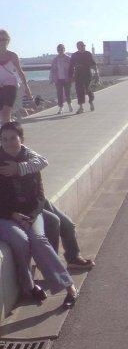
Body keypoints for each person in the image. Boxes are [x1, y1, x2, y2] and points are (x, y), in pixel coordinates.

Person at [0, 122, 79, 307]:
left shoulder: (30, 162)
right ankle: (29, 286)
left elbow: (40, 196)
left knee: (38, 239)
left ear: (21, 139)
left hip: (30, 214)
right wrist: (13, 214)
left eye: (13, 138)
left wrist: (32, 216)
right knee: (21, 240)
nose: (8, 143)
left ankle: (69, 287)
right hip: (5, 215)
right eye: (4, 139)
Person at [0, 29, 33, 124]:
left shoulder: (12, 55)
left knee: (6, 111)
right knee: (2, 113)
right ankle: (9, 127)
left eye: (3, 39)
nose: (1, 42)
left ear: (8, 41)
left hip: (11, 84)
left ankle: (6, 129)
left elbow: (20, 72)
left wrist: (27, 88)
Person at [69, 41, 99, 114]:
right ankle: (81, 107)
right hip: (78, 75)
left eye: (83, 46)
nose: (82, 47)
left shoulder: (88, 54)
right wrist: (70, 76)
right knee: (79, 91)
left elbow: (93, 64)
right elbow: (71, 66)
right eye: (81, 46)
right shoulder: (74, 55)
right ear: (77, 47)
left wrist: (97, 74)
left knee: (88, 89)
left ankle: (91, 102)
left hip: (87, 74)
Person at [50, 44, 73, 114]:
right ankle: (60, 108)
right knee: (59, 94)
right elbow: (52, 70)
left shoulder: (68, 58)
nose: (60, 51)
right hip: (58, 79)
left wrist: (72, 77)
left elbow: (72, 69)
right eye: (59, 49)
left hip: (67, 79)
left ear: (64, 49)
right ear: (57, 50)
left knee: (67, 93)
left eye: (61, 49)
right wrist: (51, 79)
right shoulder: (55, 59)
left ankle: (69, 105)